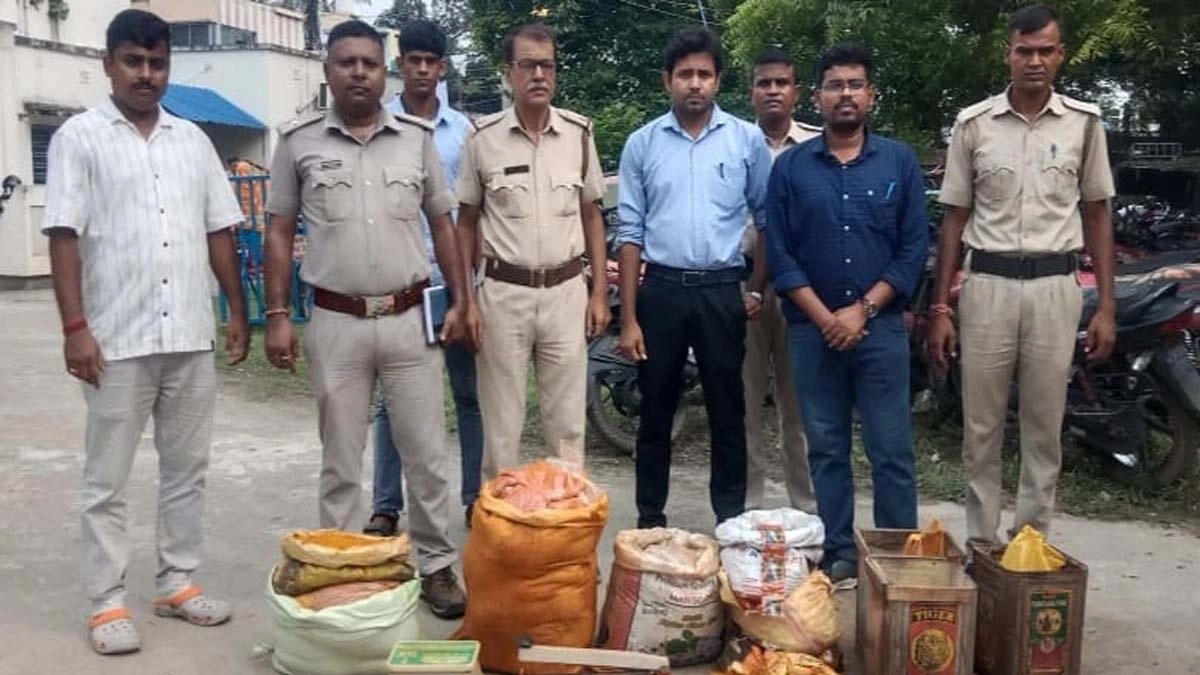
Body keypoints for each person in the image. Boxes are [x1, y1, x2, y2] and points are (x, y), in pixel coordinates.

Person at [41, 8, 249, 654]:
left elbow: (218, 230)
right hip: (115, 340)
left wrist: (236, 310)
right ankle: (106, 601)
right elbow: (64, 235)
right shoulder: (79, 138)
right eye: (134, 61)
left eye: (158, 63)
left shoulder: (193, 141)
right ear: (108, 64)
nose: (146, 74)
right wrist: (75, 327)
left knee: (188, 469)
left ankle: (177, 582)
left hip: (187, 333)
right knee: (107, 478)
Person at [262, 20, 469, 619]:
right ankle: (338, 567)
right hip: (336, 321)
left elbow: (443, 224)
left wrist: (461, 299)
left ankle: (436, 565)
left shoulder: (416, 140)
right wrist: (276, 314)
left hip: (408, 320)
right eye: (346, 62)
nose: (359, 73)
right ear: (328, 70)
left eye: (370, 64)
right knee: (340, 458)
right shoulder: (297, 142)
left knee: (426, 454)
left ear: (386, 72)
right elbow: (278, 231)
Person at [927, 4, 1116, 548]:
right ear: (1007, 54)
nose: (1035, 61)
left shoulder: (1084, 124)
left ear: (1061, 55)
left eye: (1045, 51)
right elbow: (954, 218)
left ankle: (1030, 544)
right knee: (981, 427)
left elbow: (1097, 213)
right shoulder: (974, 125)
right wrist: (940, 308)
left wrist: (1106, 306)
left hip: (1056, 288)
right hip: (987, 287)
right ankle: (981, 544)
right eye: (1024, 51)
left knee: (1043, 426)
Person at [764, 42, 928, 584]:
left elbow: (912, 249)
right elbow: (781, 254)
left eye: (855, 84)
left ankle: (896, 555)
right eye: (835, 86)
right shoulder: (791, 169)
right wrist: (825, 318)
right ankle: (839, 552)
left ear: (871, 95)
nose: (846, 94)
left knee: (891, 449)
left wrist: (862, 310)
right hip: (813, 334)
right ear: (818, 97)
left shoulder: (899, 162)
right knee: (827, 448)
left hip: (880, 331)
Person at [616, 26, 772, 527]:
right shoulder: (643, 144)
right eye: (685, 74)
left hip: (721, 291)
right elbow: (630, 233)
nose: (695, 83)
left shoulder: (746, 140)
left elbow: (768, 219)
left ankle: (729, 519)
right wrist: (630, 319)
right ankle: (650, 519)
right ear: (668, 80)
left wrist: (755, 288)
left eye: (705, 73)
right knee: (655, 408)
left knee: (728, 409)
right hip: (661, 291)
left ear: (718, 80)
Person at [456, 23, 610, 481]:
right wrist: (467, 300)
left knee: (567, 428)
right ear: (509, 72)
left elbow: (592, 216)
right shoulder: (482, 138)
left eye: (547, 65)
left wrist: (599, 293)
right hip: (503, 295)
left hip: (566, 293)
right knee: (502, 427)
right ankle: (500, 520)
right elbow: (466, 223)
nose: (539, 75)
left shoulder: (579, 135)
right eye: (528, 65)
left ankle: (566, 518)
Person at [363, 19, 480, 537]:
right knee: (394, 401)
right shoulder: (381, 125)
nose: (423, 70)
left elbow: (474, 210)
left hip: (456, 282)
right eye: (414, 61)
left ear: (443, 68)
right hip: (403, 284)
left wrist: (470, 288)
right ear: (401, 64)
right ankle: (386, 505)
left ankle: (476, 498)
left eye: (432, 62)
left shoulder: (465, 133)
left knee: (469, 395)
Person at [743, 47, 820, 512]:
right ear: (751, 91)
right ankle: (746, 510)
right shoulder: (732, 143)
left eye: (781, 83)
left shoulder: (817, 147)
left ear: (797, 92)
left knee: (801, 407)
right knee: (743, 403)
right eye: (763, 83)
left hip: (803, 291)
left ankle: (807, 510)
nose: (772, 91)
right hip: (743, 288)